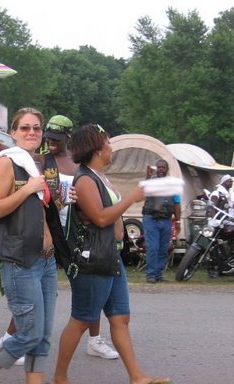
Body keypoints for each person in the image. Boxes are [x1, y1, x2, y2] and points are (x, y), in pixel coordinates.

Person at [50, 124, 171, 384]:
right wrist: (131, 198)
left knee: (120, 317)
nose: (110, 147)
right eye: (107, 142)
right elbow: (101, 218)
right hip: (93, 260)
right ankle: (59, 378)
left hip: (111, 256)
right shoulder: (84, 180)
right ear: (96, 148)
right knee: (82, 320)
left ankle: (136, 376)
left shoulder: (100, 176)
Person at [0, 107, 68, 384]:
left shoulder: (36, 165)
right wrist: (28, 189)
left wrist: (62, 199)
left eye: (36, 128)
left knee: (41, 336)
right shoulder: (7, 162)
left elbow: (40, 212)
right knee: (29, 333)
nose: (32, 132)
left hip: (46, 260)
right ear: (13, 133)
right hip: (21, 261)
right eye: (25, 128)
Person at [43, 115, 119, 359]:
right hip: (53, 230)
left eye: (56, 138)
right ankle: (15, 338)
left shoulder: (79, 164)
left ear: (68, 137)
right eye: (49, 138)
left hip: (78, 231)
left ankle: (95, 339)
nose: (51, 142)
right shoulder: (41, 161)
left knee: (88, 291)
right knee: (41, 287)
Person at [142, 159, 181, 283]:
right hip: (151, 219)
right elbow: (143, 190)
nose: (160, 170)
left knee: (163, 248)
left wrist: (178, 221)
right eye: (159, 167)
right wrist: (147, 176)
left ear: (167, 169)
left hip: (166, 220)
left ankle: (158, 274)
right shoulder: (151, 181)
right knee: (152, 247)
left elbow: (177, 204)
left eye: (163, 167)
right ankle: (151, 274)